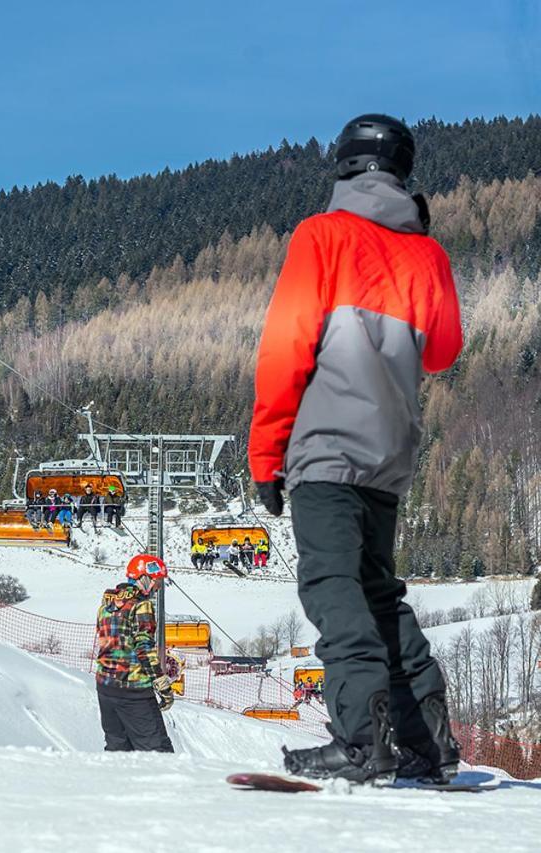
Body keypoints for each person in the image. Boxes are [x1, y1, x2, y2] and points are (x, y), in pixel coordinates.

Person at [249, 114, 463, 784]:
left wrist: (265, 455)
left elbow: (285, 348)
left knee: (333, 584)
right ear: (402, 171)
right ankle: (430, 741)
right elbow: (443, 351)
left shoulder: (322, 237)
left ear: (345, 166)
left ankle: (361, 739)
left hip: (327, 449)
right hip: (389, 453)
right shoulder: (427, 254)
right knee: (378, 589)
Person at [94, 554, 174, 752]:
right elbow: (144, 649)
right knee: (157, 751)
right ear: (144, 578)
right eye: (156, 582)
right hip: (134, 690)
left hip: (105, 687)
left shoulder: (105, 607)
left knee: (118, 749)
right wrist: (162, 684)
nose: (157, 588)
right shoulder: (141, 605)